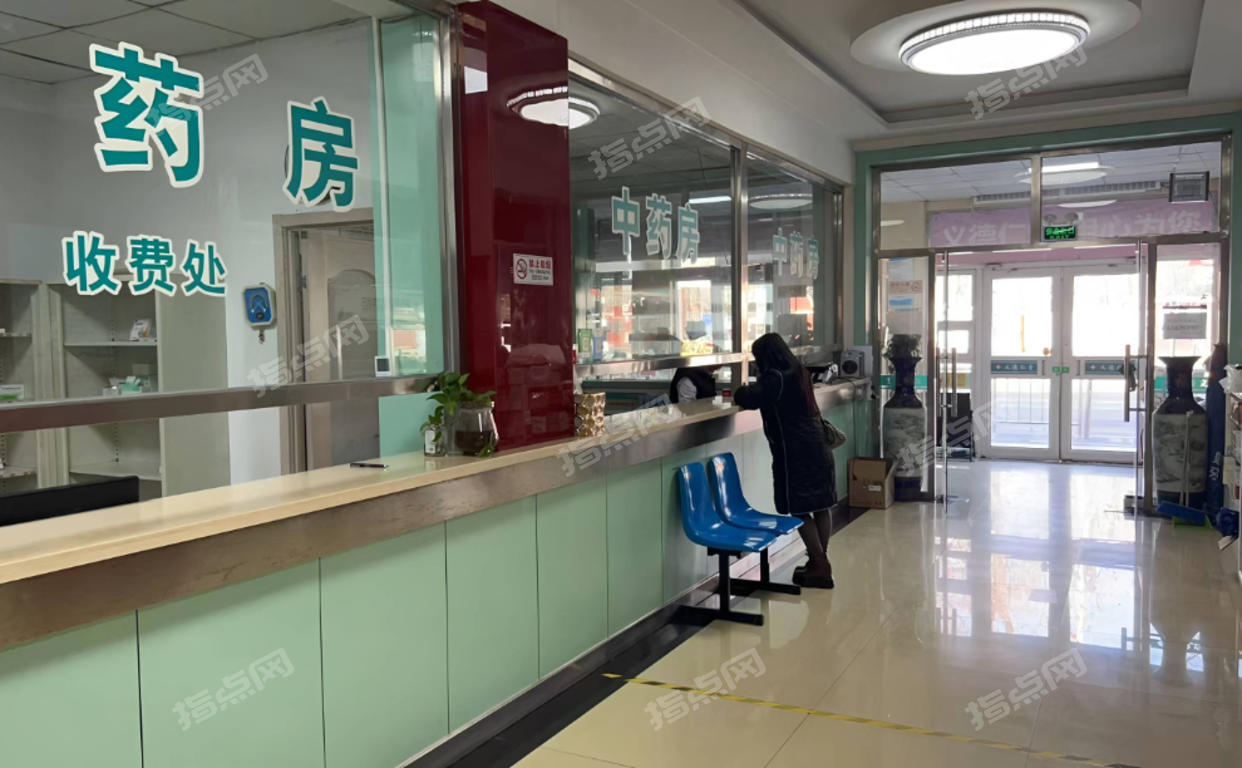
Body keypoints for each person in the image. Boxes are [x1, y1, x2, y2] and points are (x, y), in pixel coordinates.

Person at [733, 333, 836, 588]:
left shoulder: (776, 377)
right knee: (821, 505)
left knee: (799, 507)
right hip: (818, 445)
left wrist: (740, 389)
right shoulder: (800, 372)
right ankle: (819, 561)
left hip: (796, 451)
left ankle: (819, 563)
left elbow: (748, 397)